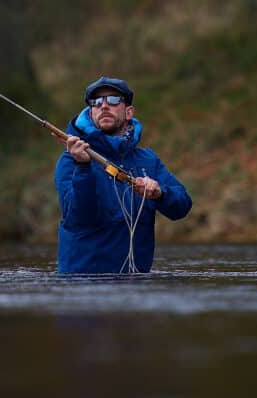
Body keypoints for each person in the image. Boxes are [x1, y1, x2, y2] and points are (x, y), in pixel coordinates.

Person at [55, 76, 192, 274]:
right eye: (96, 102)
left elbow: (182, 206)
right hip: (83, 284)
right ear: (91, 111)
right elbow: (79, 217)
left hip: (135, 282)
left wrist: (160, 194)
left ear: (129, 111)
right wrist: (83, 167)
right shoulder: (70, 161)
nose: (103, 106)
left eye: (112, 100)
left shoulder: (148, 160)